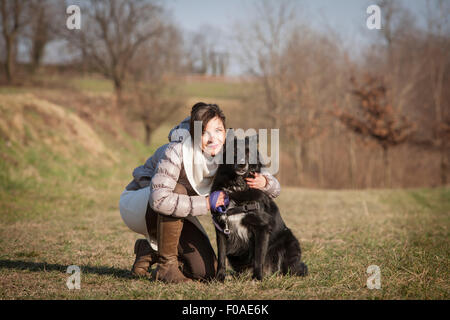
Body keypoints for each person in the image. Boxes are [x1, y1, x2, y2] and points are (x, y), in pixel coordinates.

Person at [119, 103, 281, 283]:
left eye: (218, 130)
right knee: (177, 189)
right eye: (205, 132)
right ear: (195, 134)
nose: (213, 138)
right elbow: (159, 200)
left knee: (206, 272)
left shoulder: (231, 148)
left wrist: (265, 182)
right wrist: (205, 204)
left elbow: (274, 185)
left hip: (180, 211)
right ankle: (167, 267)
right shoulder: (177, 150)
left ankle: (151, 250)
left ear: (225, 132)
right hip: (140, 204)